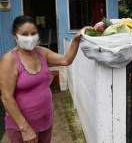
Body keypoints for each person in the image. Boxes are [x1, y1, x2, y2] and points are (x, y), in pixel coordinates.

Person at [0, 15, 93, 143]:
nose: (29, 38)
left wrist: (76, 39)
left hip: (46, 122)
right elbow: (6, 98)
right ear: (14, 35)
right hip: (22, 128)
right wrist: (25, 128)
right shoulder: (9, 59)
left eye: (33, 33)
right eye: (24, 34)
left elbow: (66, 60)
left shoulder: (41, 52)